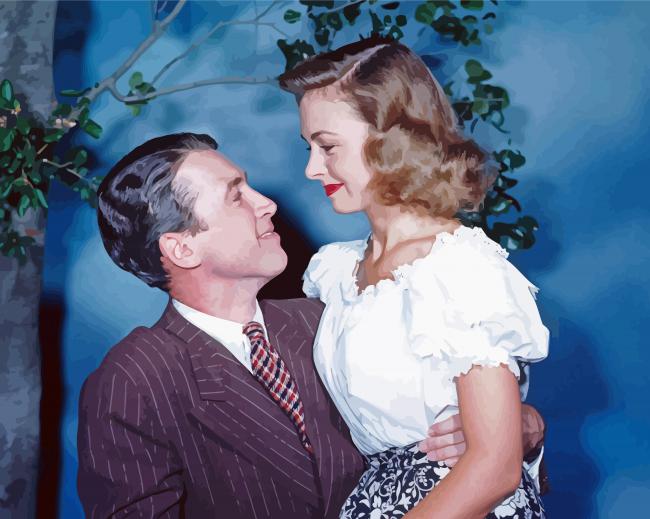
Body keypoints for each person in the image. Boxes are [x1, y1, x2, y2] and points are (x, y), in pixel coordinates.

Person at [77, 133, 546, 518]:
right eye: (236, 196)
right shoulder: (134, 379)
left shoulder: (328, 318)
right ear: (181, 249)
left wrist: (518, 429)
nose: (266, 204)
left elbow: (476, 455)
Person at [278, 36, 549, 518]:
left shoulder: (457, 267)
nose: (312, 169)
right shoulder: (336, 272)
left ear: (392, 140)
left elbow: (495, 467)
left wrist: (522, 428)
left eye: (328, 147)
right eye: (309, 147)